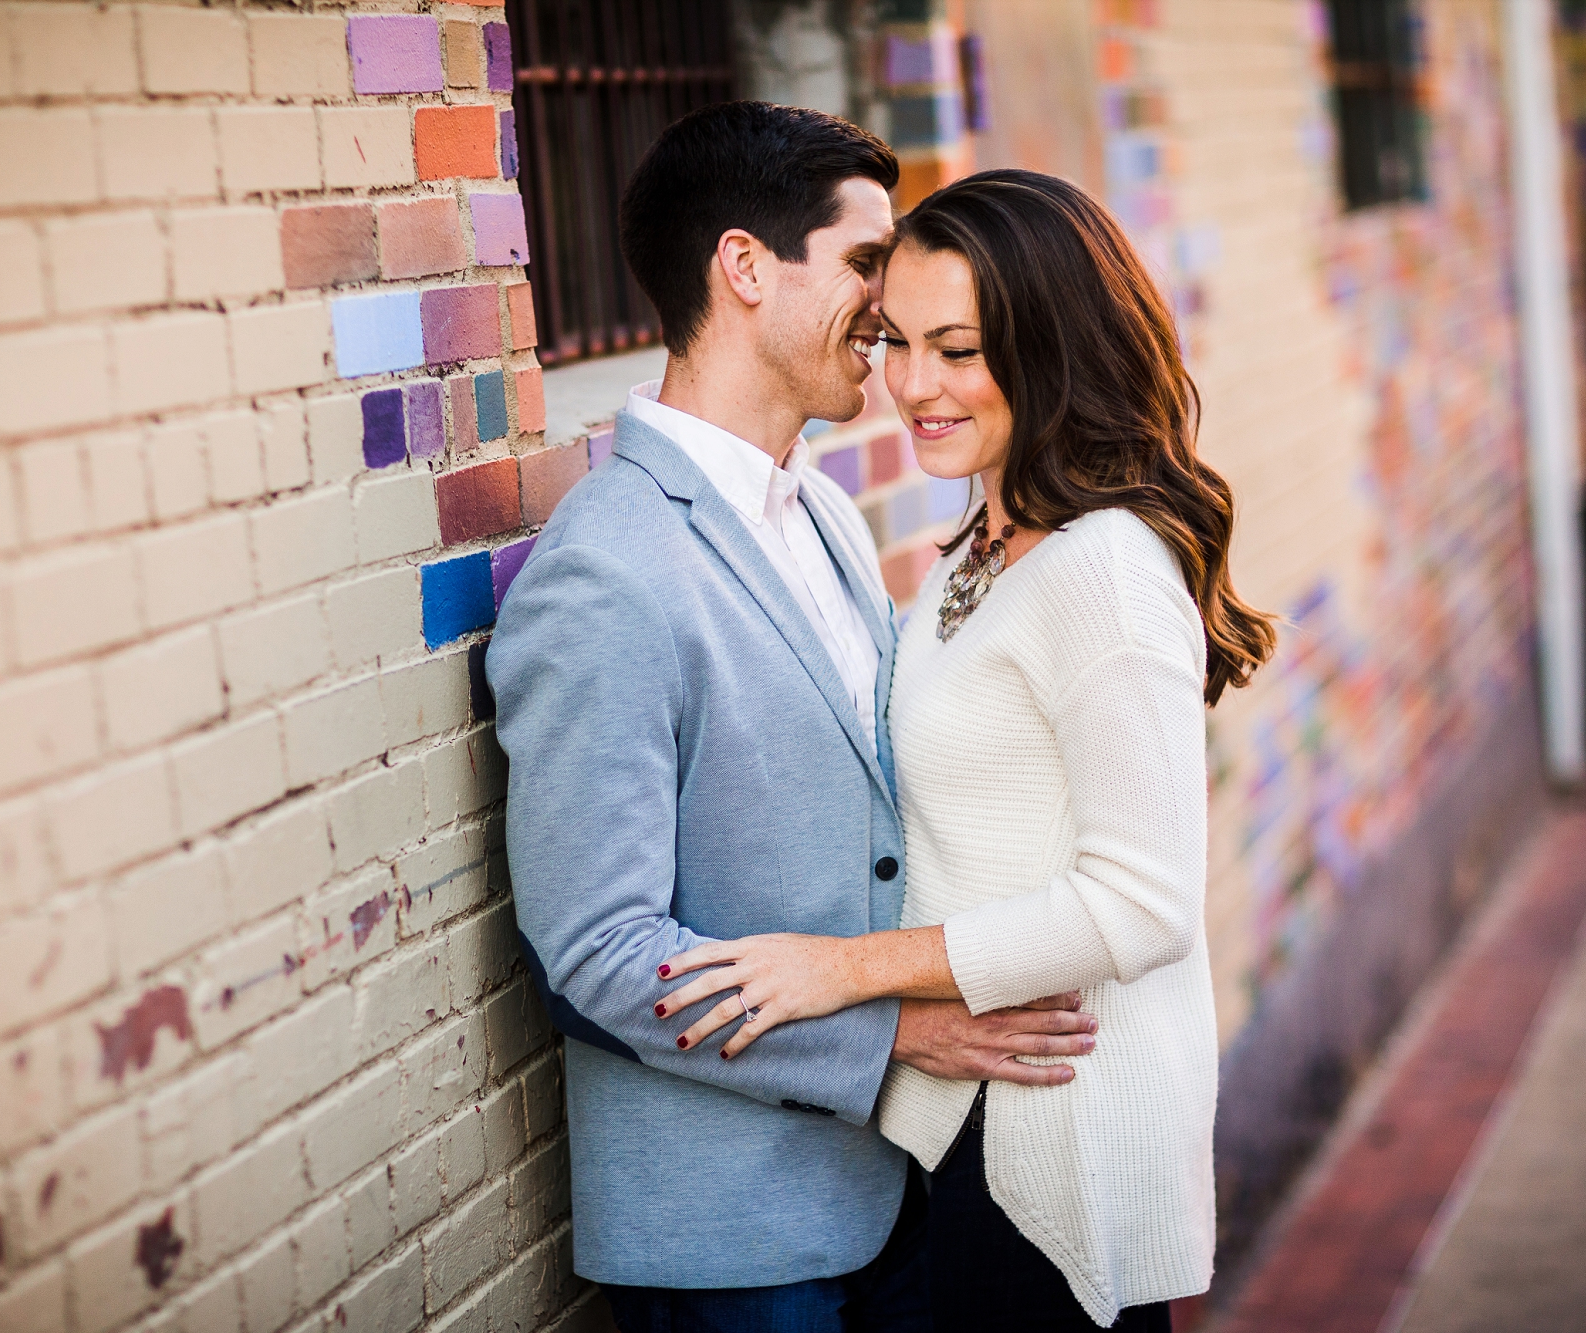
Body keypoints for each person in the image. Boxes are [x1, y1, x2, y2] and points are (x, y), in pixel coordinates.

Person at [488, 112, 1099, 1332]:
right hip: (738, 1250)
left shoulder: (820, 514)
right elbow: (597, 953)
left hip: (890, 1200)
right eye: (866, 261)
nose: (890, 302)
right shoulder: (603, 573)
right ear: (745, 266)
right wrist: (893, 1037)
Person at [655, 170, 1278, 1330]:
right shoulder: (977, 549)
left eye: (958, 350)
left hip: (1052, 1137)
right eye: (896, 340)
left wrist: (838, 969)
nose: (911, 386)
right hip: (962, 1127)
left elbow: (1141, 904)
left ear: (1049, 349)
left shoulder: (1101, 567)